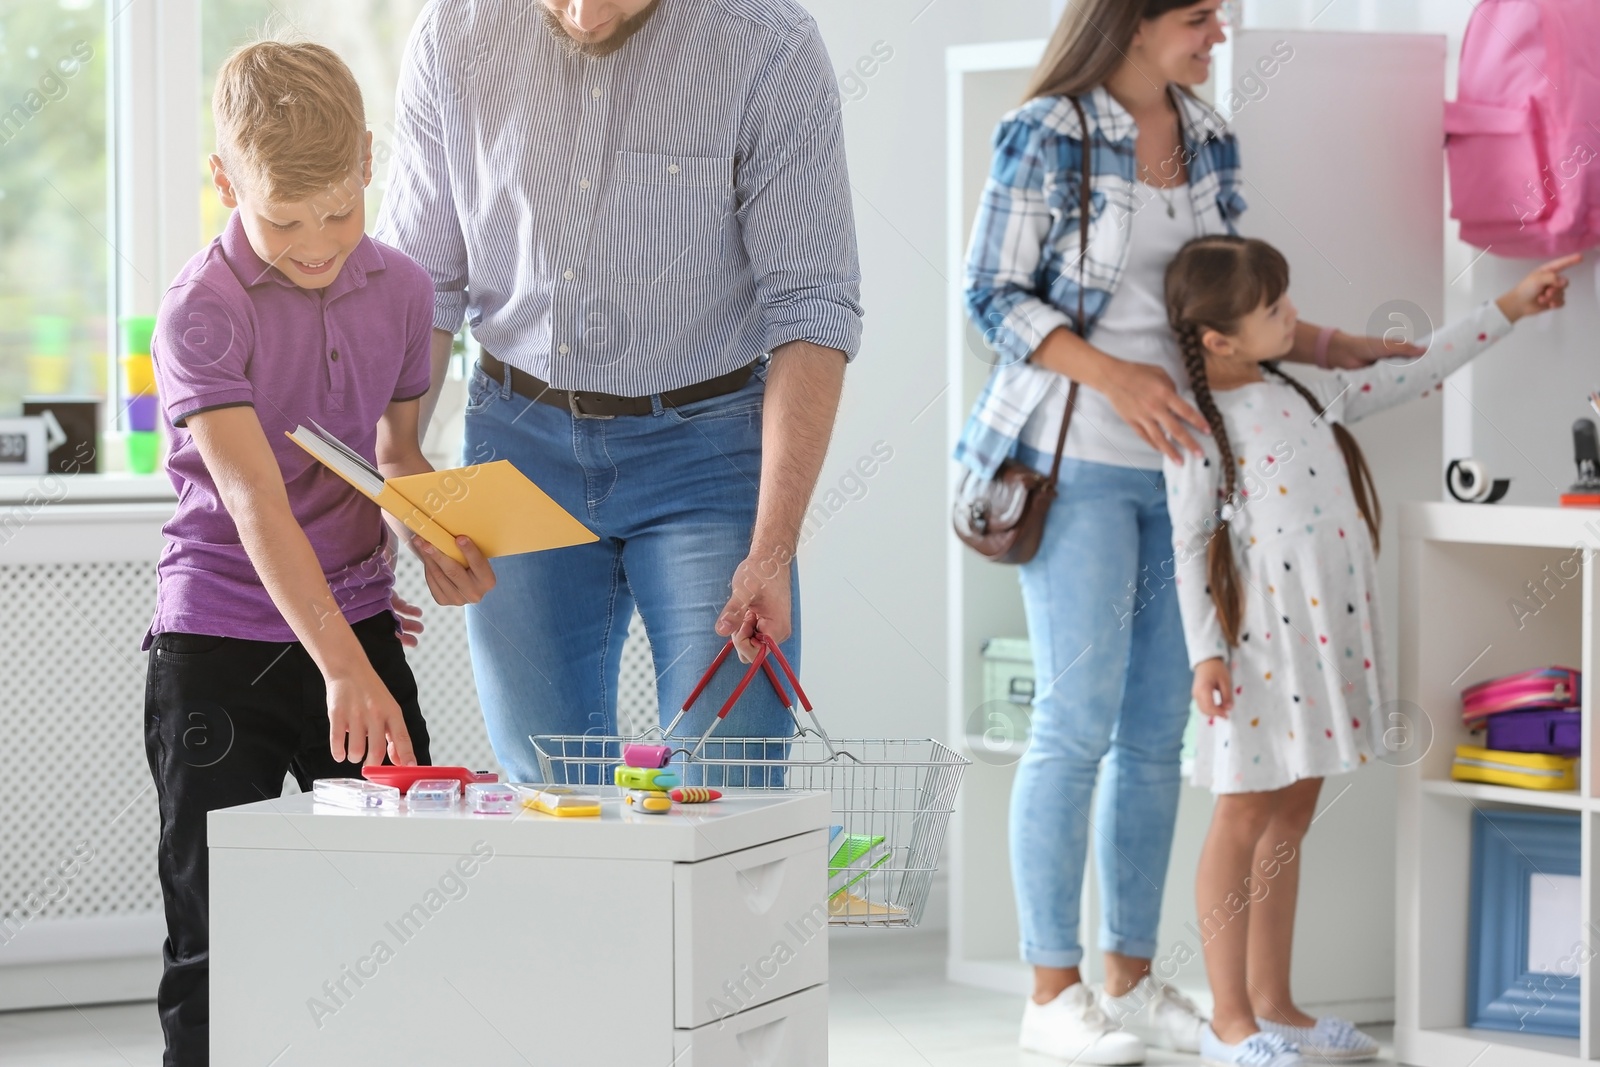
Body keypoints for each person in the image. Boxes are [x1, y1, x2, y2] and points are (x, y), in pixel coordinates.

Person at [957, 1, 1418, 1062]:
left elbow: (1227, 294)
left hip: (1193, 478)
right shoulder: (1047, 132)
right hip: (1071, 463)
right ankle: (1050, 990)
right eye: (1200, 14)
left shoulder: (1207, 135)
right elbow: (990, 296)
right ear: (1129, 19)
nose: (1218, 30)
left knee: (1158, 732)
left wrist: (1330, 342)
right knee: (1074, 720)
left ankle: (1126, 975)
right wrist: (1114, 374)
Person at [377, 0, 861, 781]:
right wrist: (396, 455)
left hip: (708, 450)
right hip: (518, 440)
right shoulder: (454, 33)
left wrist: (773, 545)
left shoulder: (769, 44)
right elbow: (423, 283)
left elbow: (811, 309)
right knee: (550, 790)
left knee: (726, 784)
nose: (585, 14)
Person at [142, 40, 493, 1065]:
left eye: (339, 212)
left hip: (355, 622)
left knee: (406, 907)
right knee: (218, 940)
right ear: (224, 182)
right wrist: (341, 660)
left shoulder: (404, 289)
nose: (317, 244)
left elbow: (392, 454)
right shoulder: (198, 310)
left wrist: (434, 541)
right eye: (284, 220)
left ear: (371, 163)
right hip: (218, 645)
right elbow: (253, 498)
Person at [1164, 235, 1577, 1066]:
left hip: (1322, 638)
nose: (1294, 318)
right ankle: (1229, 1019)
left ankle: (1277, 1005)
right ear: (1218, 338)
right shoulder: (1199, 427)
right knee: (1243, 811)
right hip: (1256, 647)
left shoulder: (1300, 389)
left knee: (1293, 809)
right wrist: (1205, 653)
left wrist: (1506, 308)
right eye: (1274, 308)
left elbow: (1410, 372)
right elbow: (1188, 543)